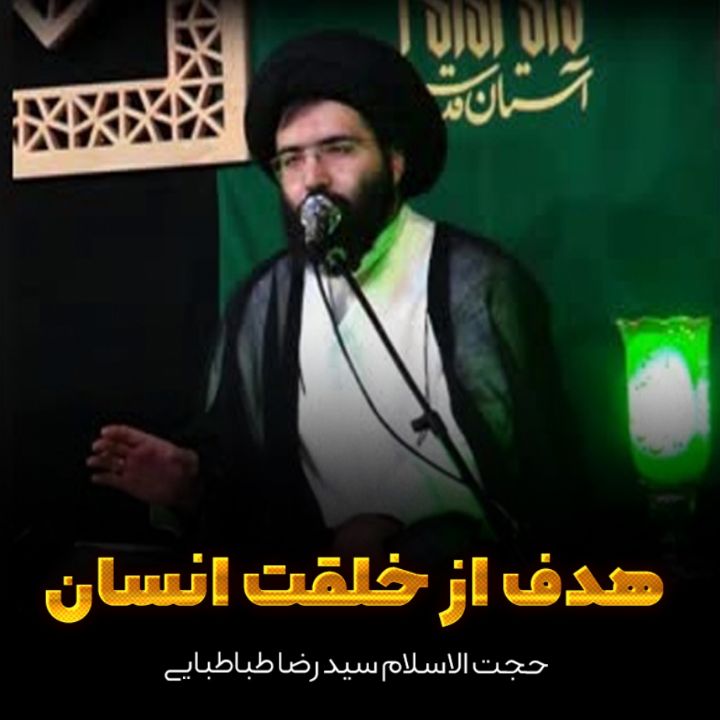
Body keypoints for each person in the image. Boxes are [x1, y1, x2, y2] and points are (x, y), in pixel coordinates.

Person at [88, 31, 572, 559]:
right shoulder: (263, 303)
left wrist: (404, 533)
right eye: (291, 160)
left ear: (394, 160)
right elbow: (242, 482)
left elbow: (533, 477)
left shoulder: (477, 285)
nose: (312, 180)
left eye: (338, 150)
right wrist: (189, 482)